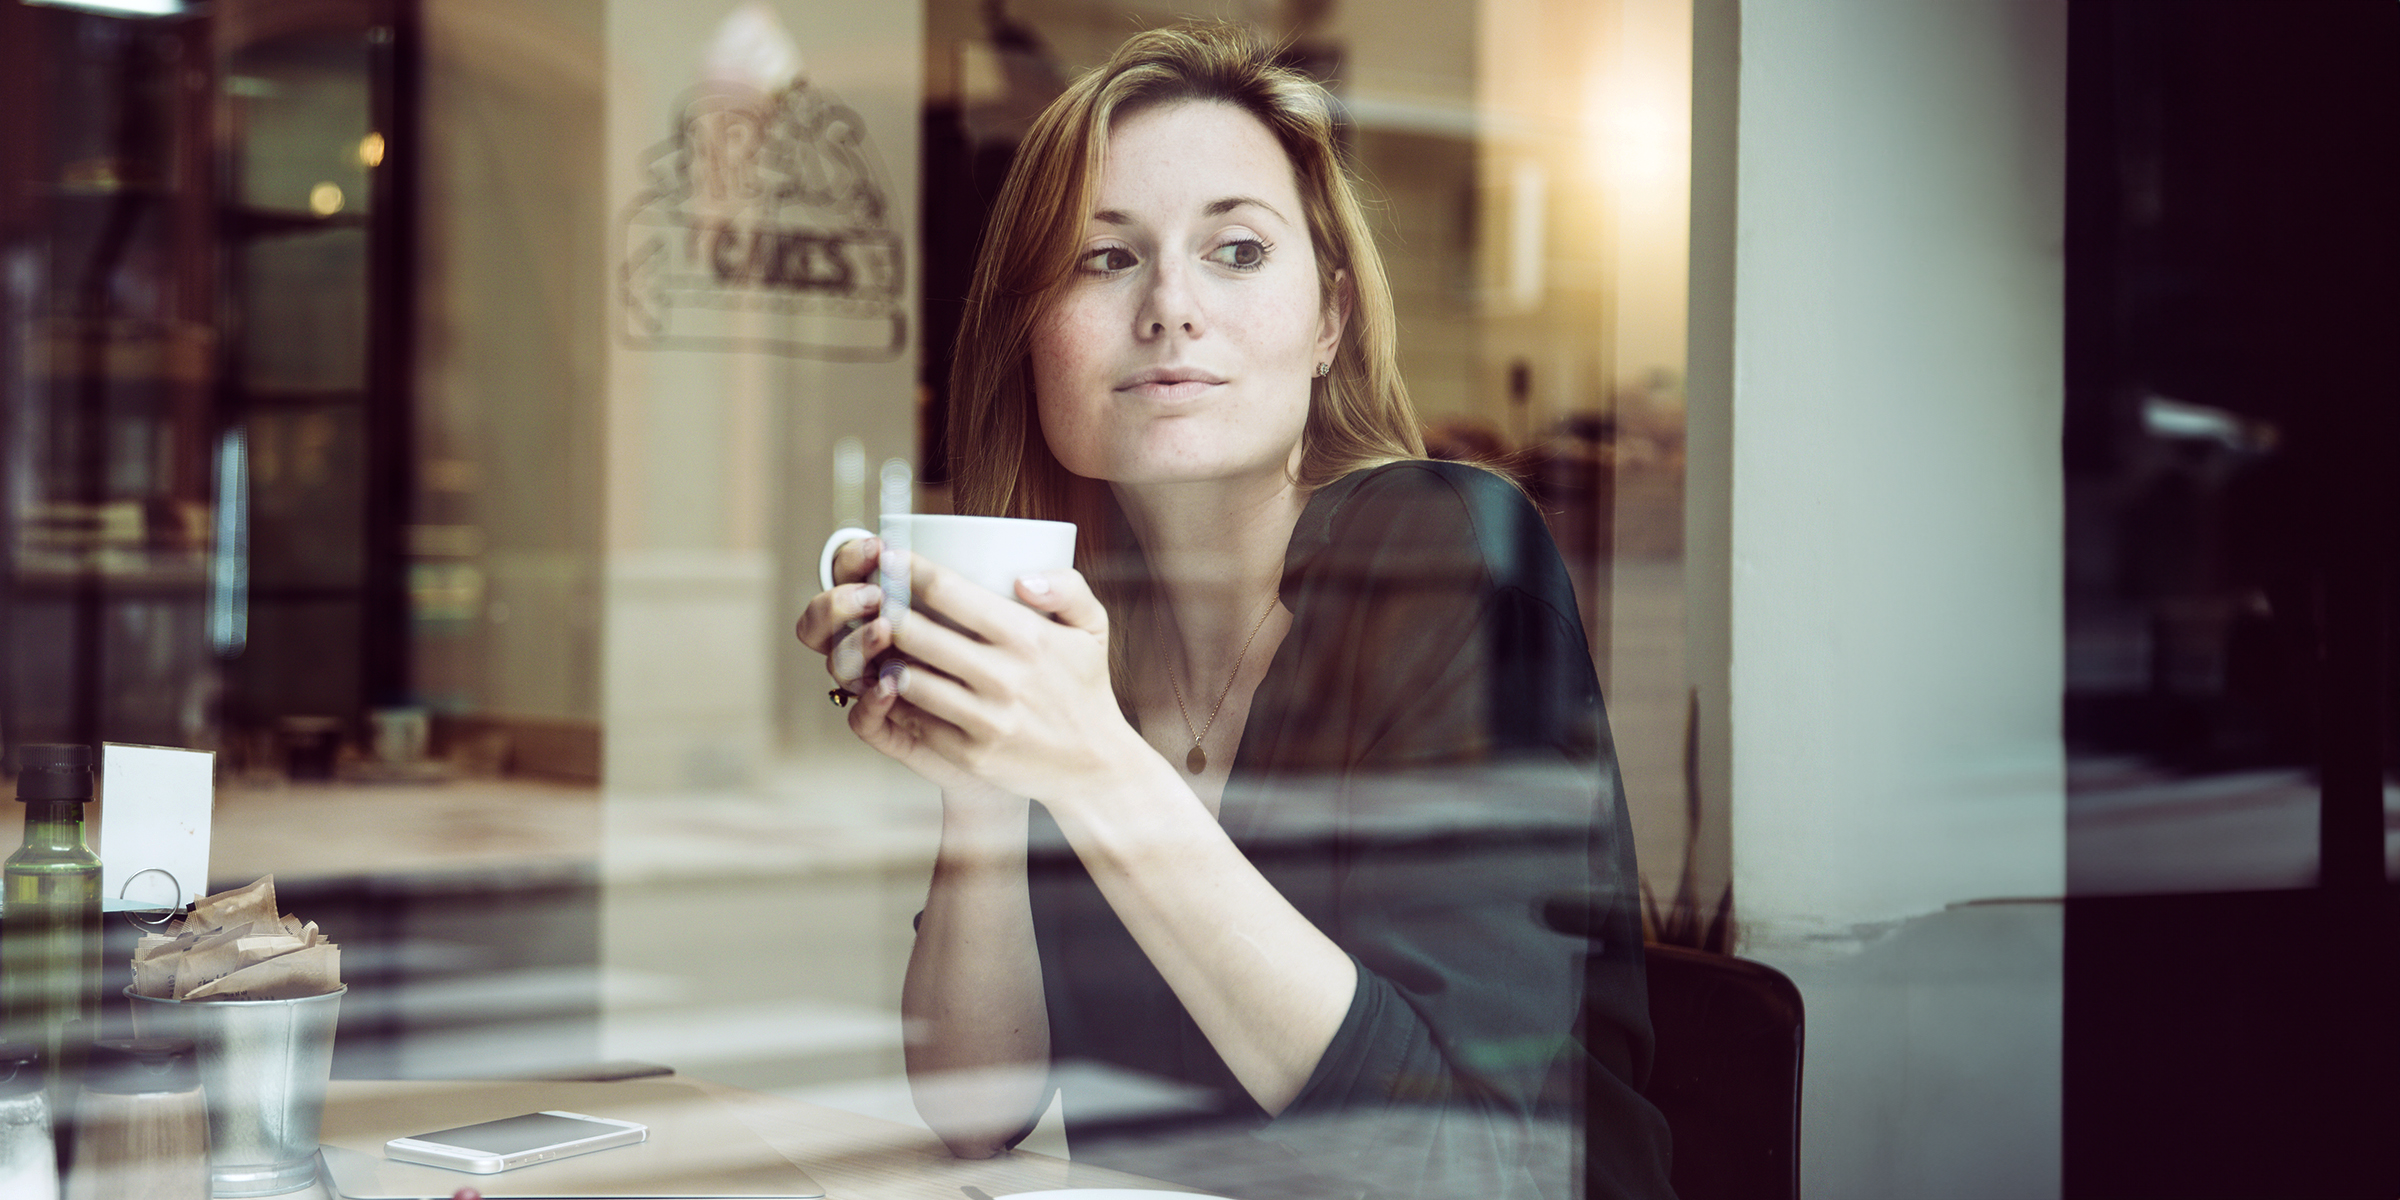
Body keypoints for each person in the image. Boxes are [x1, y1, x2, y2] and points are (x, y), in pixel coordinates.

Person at [795, 23, 1668, 1199]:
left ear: (1330, 323)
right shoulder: (1076, 623)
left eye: (1239, 251)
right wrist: (983, 789)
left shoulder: (1447, 551)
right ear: (1028, 340)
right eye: (1104, 260)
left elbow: (1467, 1164)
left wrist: (1097, 767)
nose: (1171, 307)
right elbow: (978, 1114)